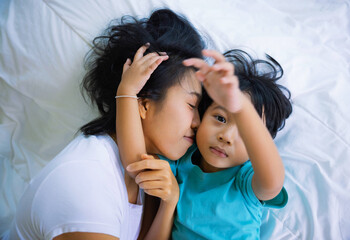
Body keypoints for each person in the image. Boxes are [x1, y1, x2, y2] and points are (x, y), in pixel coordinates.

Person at [6, 9, 204, 240]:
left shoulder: (151, 170)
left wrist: (169, 205)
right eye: (192, 105)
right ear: (144, 103)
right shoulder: (86, 182)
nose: (198, 122)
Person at [119, 49, 292, 239]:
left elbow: (273, 182)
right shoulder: (180, 163)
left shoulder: (246, 180)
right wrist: (127, 93)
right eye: (220, 117)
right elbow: (136, 164)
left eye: (244, 130)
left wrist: (242, 108)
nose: (226, 136)